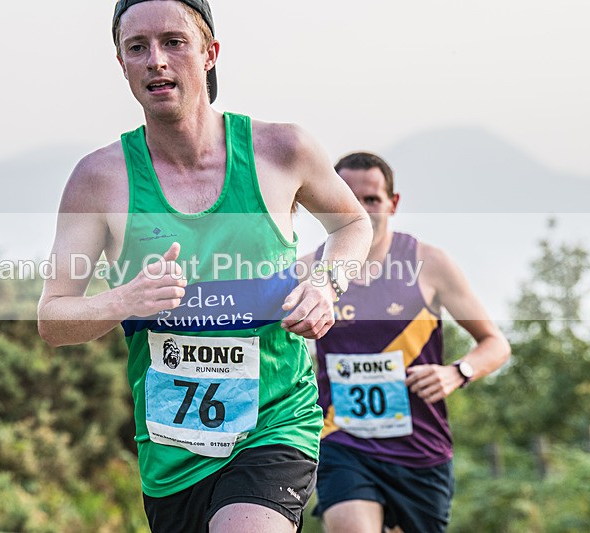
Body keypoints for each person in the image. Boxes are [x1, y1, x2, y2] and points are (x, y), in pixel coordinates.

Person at [37, 1, 372, 531]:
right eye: (137, 48)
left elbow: (353, 225)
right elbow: (53, 320)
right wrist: (124, 300)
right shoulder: (99, 179)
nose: (156, 61)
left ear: (209, 53)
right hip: (172, 454)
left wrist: (328, 284)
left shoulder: (281, 149)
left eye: (174, 42)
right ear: (121, 64)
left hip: (275, 422)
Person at [308, 152, 511, 533]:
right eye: (349, 199)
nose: (361, 211)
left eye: (371, 200)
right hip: (342, 440)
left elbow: (495, 343)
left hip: (420, 450)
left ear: (393, 203)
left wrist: (457, 372)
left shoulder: (429, 263)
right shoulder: (309, 270)